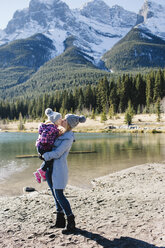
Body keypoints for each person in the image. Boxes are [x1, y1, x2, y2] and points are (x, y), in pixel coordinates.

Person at [42, 114, 86, 233]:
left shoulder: (68, 138)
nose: (63, 120)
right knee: (54, 194)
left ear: (70, 124)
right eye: (64, 118)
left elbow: (58, 153)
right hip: (50, 168)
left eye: (66, 120)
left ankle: (71, 221)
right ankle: (60, 221)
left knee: (59, 194)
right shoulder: (59, 132)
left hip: (59, 169)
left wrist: (45, 155)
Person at [33, 108, 62, 183]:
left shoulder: (50, 127)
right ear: (55, 120)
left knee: (48, 161)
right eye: (59, 119)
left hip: (41, 147)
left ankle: (38, 174)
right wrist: (47, 143)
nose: (61, 120)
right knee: (50, 160)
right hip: (44, 147)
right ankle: (41, 172)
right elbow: (44, 137)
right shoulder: (51, 127)